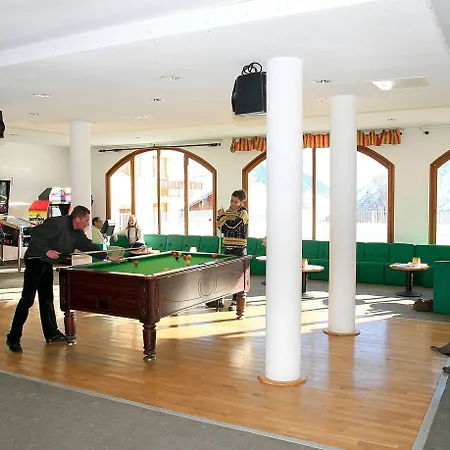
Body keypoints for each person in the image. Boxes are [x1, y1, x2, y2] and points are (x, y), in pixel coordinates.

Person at [6, 205, 124, 354]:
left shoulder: (77, 232)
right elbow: (34, 233)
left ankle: (51, 333)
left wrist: (108, 257)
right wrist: (47, 251)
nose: (88, 223)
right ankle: (13, 338)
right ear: (77, 219)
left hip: (46, 263)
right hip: (35, 259)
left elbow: (88, 246)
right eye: (86, 220)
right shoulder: (57, 223)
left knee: (47, 299)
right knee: (28, 299)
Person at [206, 189, 248, 317]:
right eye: (231, 201)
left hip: (239, 249)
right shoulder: (228, 212)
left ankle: (235, 301)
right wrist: (220, 218)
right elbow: (223, 229)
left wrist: (222, 218)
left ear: (241, 202)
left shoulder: (243, 213)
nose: (233, 204)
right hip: (228, 248)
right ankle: (221, 299)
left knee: (237, 276)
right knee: (225, 275)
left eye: (236, 202)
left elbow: (233, 226)